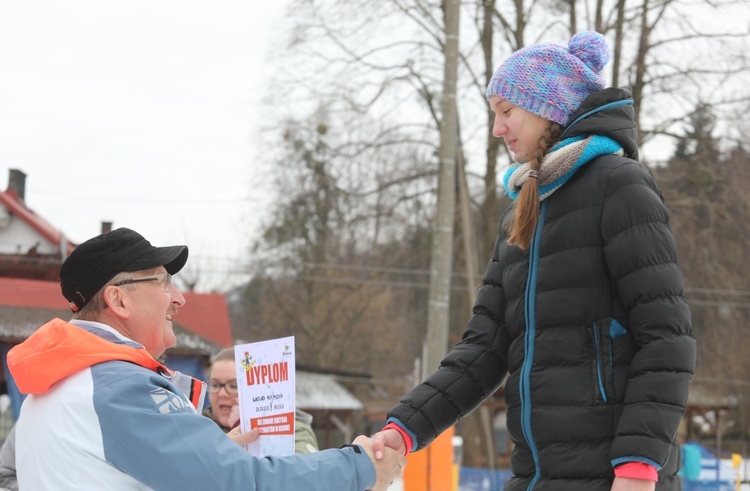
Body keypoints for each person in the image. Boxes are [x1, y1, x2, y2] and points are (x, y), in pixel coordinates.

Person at [373, 31, 696, 490]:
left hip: (615, 478)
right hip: (535, 478)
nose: (497, 129)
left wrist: (638, 466)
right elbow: (484, 349)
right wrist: (404, 427)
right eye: (494, 115)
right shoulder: (521, 211)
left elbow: (667, 340)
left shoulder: (620, 186)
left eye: (507, 112)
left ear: (550, 109)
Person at [7, 227, 405, 490]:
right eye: (162, 282)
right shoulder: (118, 388)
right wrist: (360, 467)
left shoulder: (50, 386)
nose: (178, 297)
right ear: (118, 299)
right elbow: (243, 484)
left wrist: (204, 453)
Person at [203, 347, 320, 454]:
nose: (222, 393)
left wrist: (245, 425)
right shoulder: (197, 429)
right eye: (215, 384)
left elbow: (297, 471)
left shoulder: (293, 430)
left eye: (234, 386)